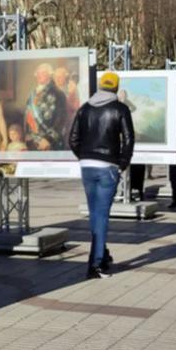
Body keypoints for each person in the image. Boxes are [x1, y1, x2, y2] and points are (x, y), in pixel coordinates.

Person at [69, 72, 134, 280]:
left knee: (95, 214)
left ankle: (102, 255)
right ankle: (95, 264)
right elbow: (129, 138)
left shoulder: (85, 108)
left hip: (87, 166)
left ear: (99, 86)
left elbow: (73, 139)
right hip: (108, 166)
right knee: (102, 215)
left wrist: (85, 156)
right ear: (115, 88)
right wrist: (122, 163)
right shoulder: (120, 108)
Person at [24, 63, 68, 151]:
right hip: (32, 142)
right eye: (38, 73)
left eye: (43, 73)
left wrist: (48, 139)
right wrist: (27, 135)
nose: (39, 75)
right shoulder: (32, 94)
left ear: (50, 75)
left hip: (50, 143)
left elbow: (61, 119)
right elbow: (27, 115)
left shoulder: (58, 93)